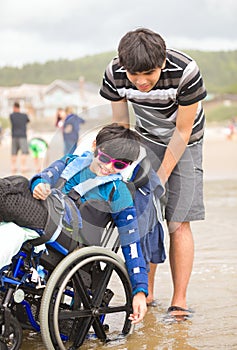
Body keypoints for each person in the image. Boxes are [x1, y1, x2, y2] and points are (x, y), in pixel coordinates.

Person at [0, 123, 162, 324]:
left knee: (10, 193)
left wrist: (139, 291)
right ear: (95, 146)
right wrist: (38, 185)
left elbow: (132, 244)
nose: (108, 167)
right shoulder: (71, 163)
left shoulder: (118, 192)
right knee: (16, 192)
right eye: (104, 158)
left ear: (126, 167)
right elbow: (46, 176)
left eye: (119, 165)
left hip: (71, 240)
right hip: (46, 218)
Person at [100, 28, 207, 319]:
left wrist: (159, 177)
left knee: (178, 221)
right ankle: (144, 293)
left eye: (148, 73)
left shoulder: (186, 71)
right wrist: (117, 165)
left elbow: (183, 131)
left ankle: (179, 302)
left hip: (186, 141)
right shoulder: (114, 73)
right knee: (143, 216)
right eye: (134, 74)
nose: (141, 81)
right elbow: (122, 126)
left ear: (162, 62)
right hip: (145, 138)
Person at [9, 101, 30, 174]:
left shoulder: (11, 115)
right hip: (23, 136)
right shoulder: (24, 115)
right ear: (19, 107)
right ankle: (23, 167)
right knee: (24, 152)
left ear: (14, 107)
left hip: (14, 136)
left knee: (14, 152)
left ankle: (13, 167)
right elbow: (28, 121)